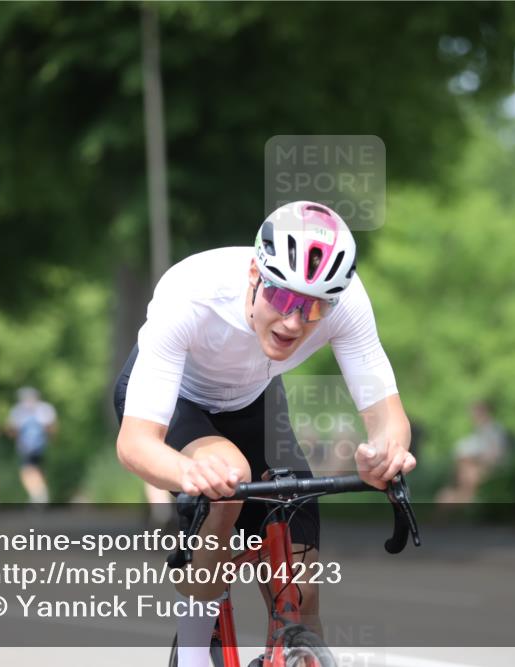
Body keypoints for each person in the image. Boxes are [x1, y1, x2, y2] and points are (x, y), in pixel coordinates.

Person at [113, 201, 415, 667]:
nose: (294, 321)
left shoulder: (347, 300)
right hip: (178, 401)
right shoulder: (192, 291)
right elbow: (135, 443)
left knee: (300, 581)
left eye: (314, 306)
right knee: (230, 480)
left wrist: (386, 453)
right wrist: (191, 471)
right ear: (255, 272)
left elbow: (387, 418)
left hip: (255, 402)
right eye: (284, 298)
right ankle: (194, 650)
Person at [436, 401, 509, 504]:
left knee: (468, 471)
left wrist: (475, 460)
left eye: (477, 413)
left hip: (490, 468)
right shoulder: (478, 431)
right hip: (475, 468)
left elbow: (496, 455)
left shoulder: (494, 430)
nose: (474, 417)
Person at [7, 386, 58, 504]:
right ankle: (39, 492)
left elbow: (11, 430)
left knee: (27, 471)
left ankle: (38, 493)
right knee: (37, 470)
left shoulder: (19, 411)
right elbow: (52, 428)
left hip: (27, 447)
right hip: (41, 446)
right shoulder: (44, 409)